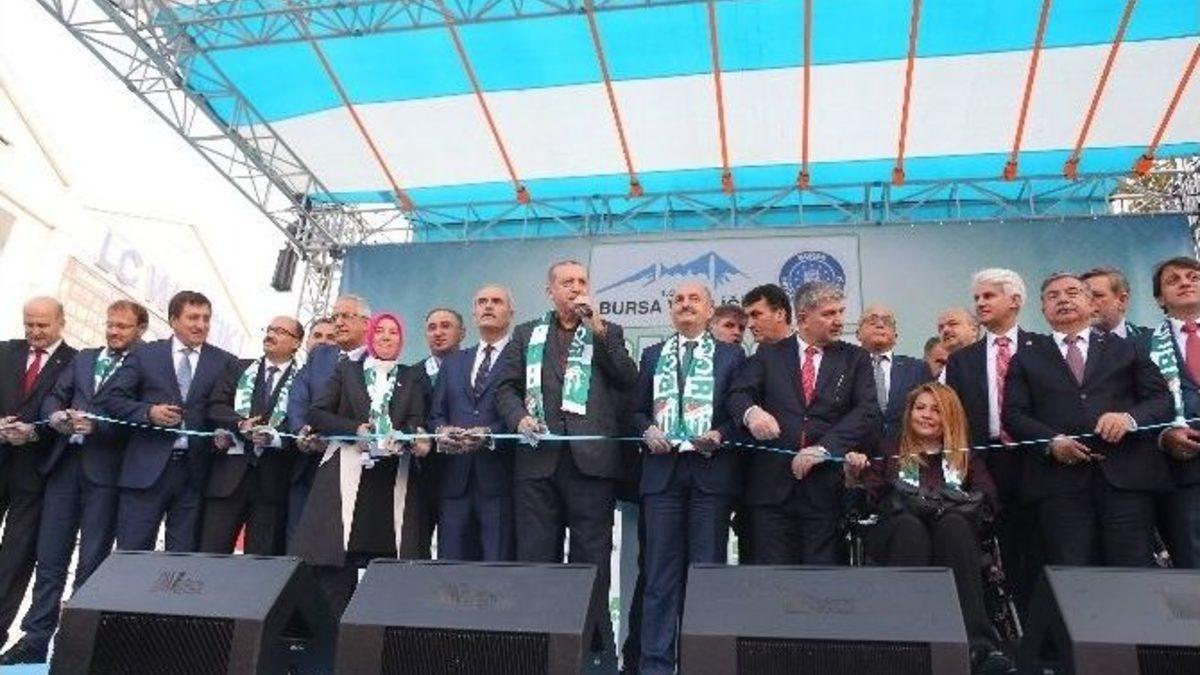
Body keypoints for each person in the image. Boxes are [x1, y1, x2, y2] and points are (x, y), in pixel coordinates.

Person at [495, 259, 639, 655]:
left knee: (591, 559)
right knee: (535, 556)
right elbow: (505, 388)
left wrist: (599, 329)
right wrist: (519, 417)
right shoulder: (526, 334)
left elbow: (627, 377)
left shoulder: (607, 331)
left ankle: (591, 650)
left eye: (581, 281)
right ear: (550, 291)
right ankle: (534, 647)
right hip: (536, 461)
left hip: (590, 462)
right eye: (567, 282)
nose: (576, 287)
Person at [2, 301, 145, 665]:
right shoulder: (84, 358)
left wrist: (100, 426)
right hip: (64, 466)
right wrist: (55, 416)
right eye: (110, 324)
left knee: (91, 563)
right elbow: (55, 395)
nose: (114, 331)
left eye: (123, 326)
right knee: (49, 558)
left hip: (106, 474)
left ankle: (73, 644)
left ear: (140, 330)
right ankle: (35, 639)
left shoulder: (146, 365)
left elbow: (141, 419)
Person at [1003, 273, 1172, 566]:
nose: (1063, 299)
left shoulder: (1127, 347)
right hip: (1059, 486)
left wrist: (1129, 418)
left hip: (1125, 481)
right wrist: (1051, 442)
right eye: (1053, 296)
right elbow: (1013, 414)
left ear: (1091, 303)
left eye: (1072, 292)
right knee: (1074, 574)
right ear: (1043, 309)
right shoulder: (1026, 358)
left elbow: (1161, 401)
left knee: (1133, 571)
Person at [854, 383, 1011, 675]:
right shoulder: (889, 449)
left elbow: (988, 499)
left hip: (952, 540)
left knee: (953, 525)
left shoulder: (964, 456)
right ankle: (904, 645)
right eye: (920, 408)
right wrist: (856, 473)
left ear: (949, 416)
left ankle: (977, 646)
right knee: (910, 527)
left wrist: (946, 503)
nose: (926, 415)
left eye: (936, 410)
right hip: (899, 535)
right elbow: (870, 496)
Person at [632, 281, 745, 675]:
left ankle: (703, 665)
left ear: (710, 310)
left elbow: (738, 413)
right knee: (659, 579)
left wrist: (720, 434)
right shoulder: (652, 355)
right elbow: (634, 411)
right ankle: (655, 667)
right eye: (678, 299)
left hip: (710, 477)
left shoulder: (731, 356)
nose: (684, 304)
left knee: (705, 578)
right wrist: (646, 429)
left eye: (693, 299)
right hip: (661, 477)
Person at [290, 312, 431, 617]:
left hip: (390, 479)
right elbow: (318, 413)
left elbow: (416, 420)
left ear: (401, 340)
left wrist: (407, 435)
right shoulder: (348, 371)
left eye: (393, 332)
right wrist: (355, 429)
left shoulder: (411, 376)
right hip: (346, 472)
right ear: (370, 336)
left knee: (385, 564)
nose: (386, 336)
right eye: (380, 331)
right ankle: (332, 632)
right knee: (336, 565)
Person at [729, 281, 879, 564]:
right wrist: (752, 413)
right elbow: (738, 394)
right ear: (803, 318)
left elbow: (866, 411)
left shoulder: (855, 358)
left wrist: (823, 449)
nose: (839, 320)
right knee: (773, 577)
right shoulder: (769, 355)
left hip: (825, 489)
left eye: (840, 312)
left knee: (821, 578)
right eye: (829, 314)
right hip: (771, 490)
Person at [98, 290, 237, 552]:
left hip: (194, 475)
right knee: (132, 554)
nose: (201, 325)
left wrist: (223, 433)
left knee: (179, 561)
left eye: (206, 318)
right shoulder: (146, 354)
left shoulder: (224, 362)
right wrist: (149, 412)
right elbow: (113, 399)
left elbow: (224, 409)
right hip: (145, 470)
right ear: (173, 320)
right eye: (193, 317)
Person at [943, 268, 1037, 616]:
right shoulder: (961, 360)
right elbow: (955, 419)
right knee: (1006, 550)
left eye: (989, 295)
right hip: (986, 464)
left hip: (1038, 459)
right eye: (977, 298)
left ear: (1015, 301)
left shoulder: (1041, 347)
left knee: (1044, 546)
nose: (980, 303)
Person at [0, 297, 76, 654]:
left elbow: (69, 411)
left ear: (61, 322)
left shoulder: (75, 362)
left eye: (42, 325)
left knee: (16, 556)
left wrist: (34, 432)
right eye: (29, 324)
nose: (34, 331)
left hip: (36, 471)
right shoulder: (5, 352)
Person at [200, 316, 304, 555]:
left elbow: (303, 420)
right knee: (210, 555)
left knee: (259, 563)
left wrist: (275, 438)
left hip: (272, 483)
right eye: (270, 329)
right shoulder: (238, 367)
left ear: (296, 342)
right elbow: (216, 405)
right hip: (228, 478)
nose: (271, 335)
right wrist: (239, 424)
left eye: (280, 331)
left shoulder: (303, 379)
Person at [429, 285, 516, 561]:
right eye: (482, 302)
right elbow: (435, 413)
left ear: (511, 312)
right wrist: (441, 431)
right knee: (451, 569)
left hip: (500, 481)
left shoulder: (521, 356)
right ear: (474, 313)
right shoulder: (453, 362)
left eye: (496, 301)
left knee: (495, 569)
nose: (488, 306)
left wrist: (490, 434)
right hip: (454, 480)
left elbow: (527, 412)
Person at [286, 295, 371, 541]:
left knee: (334, 538)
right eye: (335, 317)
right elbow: (299, 396)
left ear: (366, 323)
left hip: (349, 460)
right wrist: (301, 430)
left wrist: (333, 432)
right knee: (299, 537)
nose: (338, 323)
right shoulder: (320, 355)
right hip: (308, 461)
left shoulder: (376, 361)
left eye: (346, 316)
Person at [1138, 256, 1200, 568]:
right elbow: (1137, 405)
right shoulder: (1142, 345)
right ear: (1160, 299)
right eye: (1173, 280)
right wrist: (1164, 436)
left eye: (1193, 277)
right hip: (1184, 476)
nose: (1185, 282)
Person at [856, 304, 931, 441]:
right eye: (872, 321)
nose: (880, 325)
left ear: (895, 336)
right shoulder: (847, 369)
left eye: (887, 322)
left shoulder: (917, 368)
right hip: (858, 450)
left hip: (907, 447)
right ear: (858, 334)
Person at [1080, 266, 1147, 340]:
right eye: (1085, 296)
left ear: (1122, 300)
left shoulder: (1150, 341)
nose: (1087, 302)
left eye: (1097, 296)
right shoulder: (1072, 341)